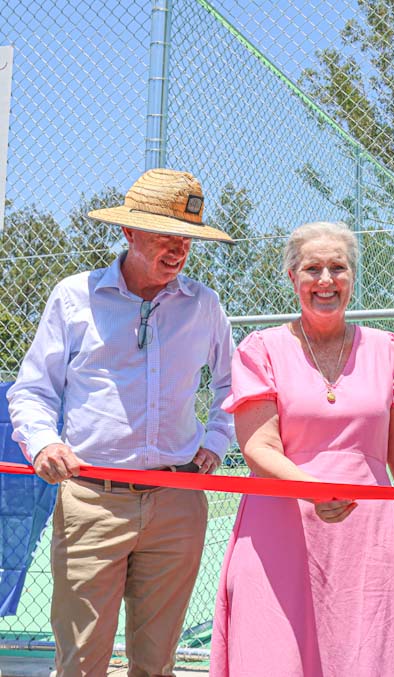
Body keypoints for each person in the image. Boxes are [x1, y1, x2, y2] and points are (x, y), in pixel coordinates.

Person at [6, 168, 235, 677]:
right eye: (164, 236)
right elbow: (33, 390)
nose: (178, 250)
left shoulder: (204, 306)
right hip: (91, 502)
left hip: (176, 501)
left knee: (156, 665)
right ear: (128, 232)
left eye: (187, 238)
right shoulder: (74, 298)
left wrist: (217, 440)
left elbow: (232, 386)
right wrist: (42, 443)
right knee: (81, 663)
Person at [209, 221, 394, 677]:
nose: (326, 280)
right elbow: (257, 445)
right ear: (292, 278)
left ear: (352, 277)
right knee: (271, 659)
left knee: (366, 660)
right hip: (278, 534)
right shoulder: (262, 350)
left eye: (338, 267)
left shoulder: (389, 351)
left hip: (368, 541)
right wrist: (313, 488)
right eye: (313, 268)